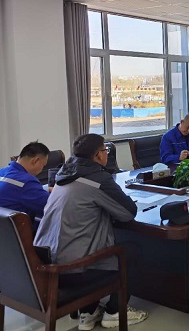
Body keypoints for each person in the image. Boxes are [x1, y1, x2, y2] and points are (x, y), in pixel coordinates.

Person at [34, 134, 148, 330]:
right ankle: (115, 312)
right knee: (132, 250)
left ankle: (88, 312)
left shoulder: (63, 174)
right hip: (73, 269)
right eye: (105, 150)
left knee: (89, 240)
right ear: (97, 155)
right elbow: (128, 213)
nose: (106, 153)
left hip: (46, 262)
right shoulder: (97, 178)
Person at [0, 141, 50, 222]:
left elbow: (16, 191)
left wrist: (46, 188)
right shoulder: (26, 182)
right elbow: (51, 206)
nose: (42, 169)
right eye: (43, 165)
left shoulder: (2, 172)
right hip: (22, 228)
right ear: (35, 160)